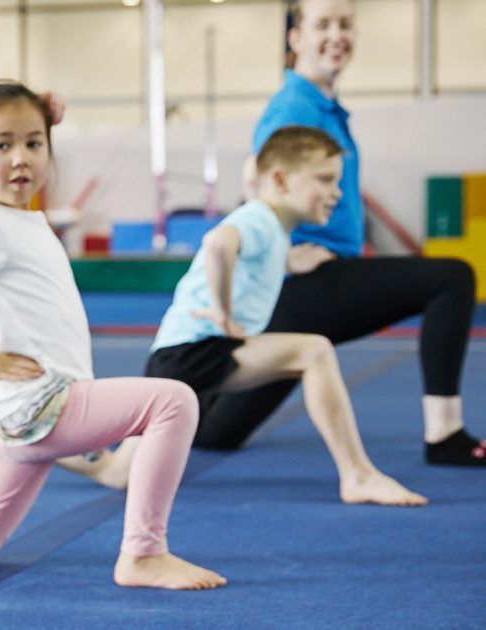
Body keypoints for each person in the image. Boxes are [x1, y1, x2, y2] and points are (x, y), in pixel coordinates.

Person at [0, 79, 226, 590]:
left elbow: (5, 314)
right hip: (41, 404)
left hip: (23, 413)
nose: (21, 158)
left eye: (34, 143)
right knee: (173, 402)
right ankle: (144, 553)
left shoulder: (22, 221)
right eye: (2, 145)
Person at [201, 0, 482, 465]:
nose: (337, 35)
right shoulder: (295, 108)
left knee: (219, 430)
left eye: (345, 24)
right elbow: (256, 177)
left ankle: (181, 401)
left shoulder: (323, 106)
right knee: (450, 279)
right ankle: (444, 434)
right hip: (307, 280)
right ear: (295, 38)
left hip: (327, 276)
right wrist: (283, 254)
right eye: (323, 25)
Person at [146, 126, 426, 507]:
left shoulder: (272, 227)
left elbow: (245, 249)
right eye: (325, 179)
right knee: (314, 352)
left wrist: (289, 262)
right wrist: (224, 313)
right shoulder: (260, 218)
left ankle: (48, 443)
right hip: (195, 351)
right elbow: (217, 244)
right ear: (279, 180)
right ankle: (357, 475)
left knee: (117, 472)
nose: (337, 192)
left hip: (178, 357)